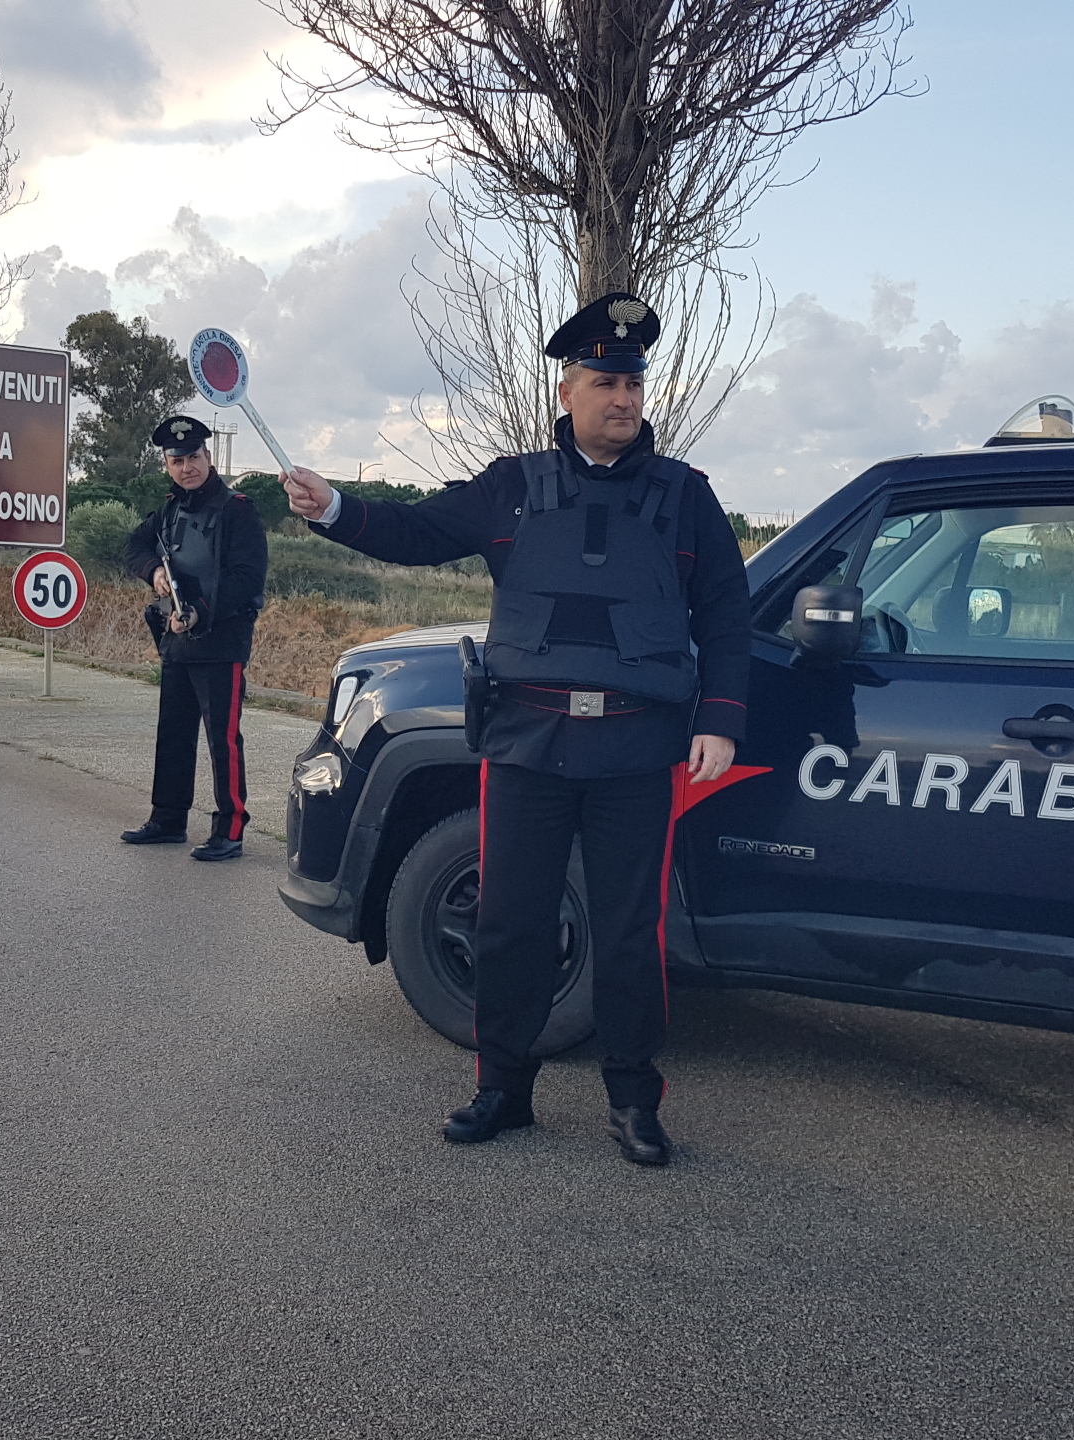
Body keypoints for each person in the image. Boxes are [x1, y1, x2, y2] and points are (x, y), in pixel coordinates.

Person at [280, 293, 752, 1166]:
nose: (625, 399)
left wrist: (721, 719)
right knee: (510, 921)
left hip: (636, 751)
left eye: (634, 384)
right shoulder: (511, 487)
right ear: (566, 392)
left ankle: (634, 1100)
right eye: (605, 382)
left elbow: (727, 612)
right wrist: (335, 509)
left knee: (626, 930)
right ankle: (502, 1087)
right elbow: (416, 530)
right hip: (528, 746)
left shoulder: (687, 498)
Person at [120, 415, 269, 861]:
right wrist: (155, 572)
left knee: (222, 739)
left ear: (210, 457)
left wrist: (200, 611)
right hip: (177, 638)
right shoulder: (168, 509)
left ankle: (231, 828)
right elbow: (133, 548)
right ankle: (168, 818)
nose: (188, 467)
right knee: (174, 733)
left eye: (195, 457)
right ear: (167, 465)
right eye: (177, 460)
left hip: (222, 640)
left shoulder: (238, 509)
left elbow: (247, 580)